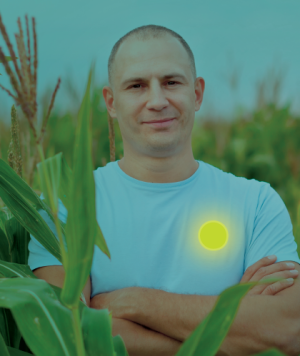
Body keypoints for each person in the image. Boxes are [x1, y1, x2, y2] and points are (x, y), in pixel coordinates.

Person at [28, 25, 300, 355]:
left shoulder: (256, 204)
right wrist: (231, 323)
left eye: (172, 82)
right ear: (111, 102)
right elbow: (65, 333)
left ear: (197, 93)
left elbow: (287, 330)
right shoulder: (65, 205)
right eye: (137, 86)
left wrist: (133, 303)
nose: (157, 101)